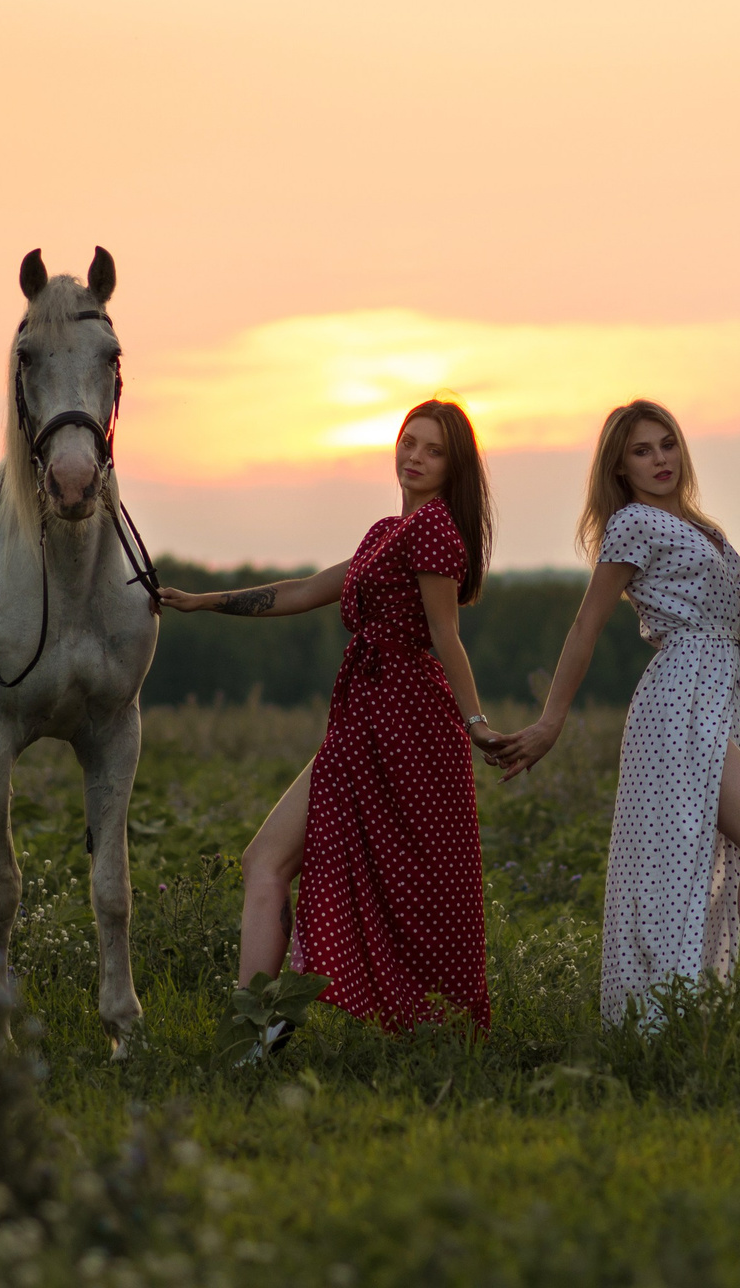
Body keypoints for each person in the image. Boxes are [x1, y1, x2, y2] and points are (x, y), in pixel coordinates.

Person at [159, 398, 503, 1036]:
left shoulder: (432, 530)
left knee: (412, 887)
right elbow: (299, 592)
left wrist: (476, 721)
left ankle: (270, 1028)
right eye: (409, 442)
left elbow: (445, 634)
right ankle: (258, 1026)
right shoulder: (384, 534)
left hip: (407, 724)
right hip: (360, 722)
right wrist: (203, 601)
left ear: (454, 467)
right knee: (265, 860)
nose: (415, 457)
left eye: (433, 450)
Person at [488, 400, 740, 1022]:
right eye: (642, 451)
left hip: (713, 699)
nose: (660, 459)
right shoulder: (633, 525)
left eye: (666, 444)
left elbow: (738, 629)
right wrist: (550, 721)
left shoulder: (703, 526)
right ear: (620, 466)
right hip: (676, 706)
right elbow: (586, 628)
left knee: (720, 854)